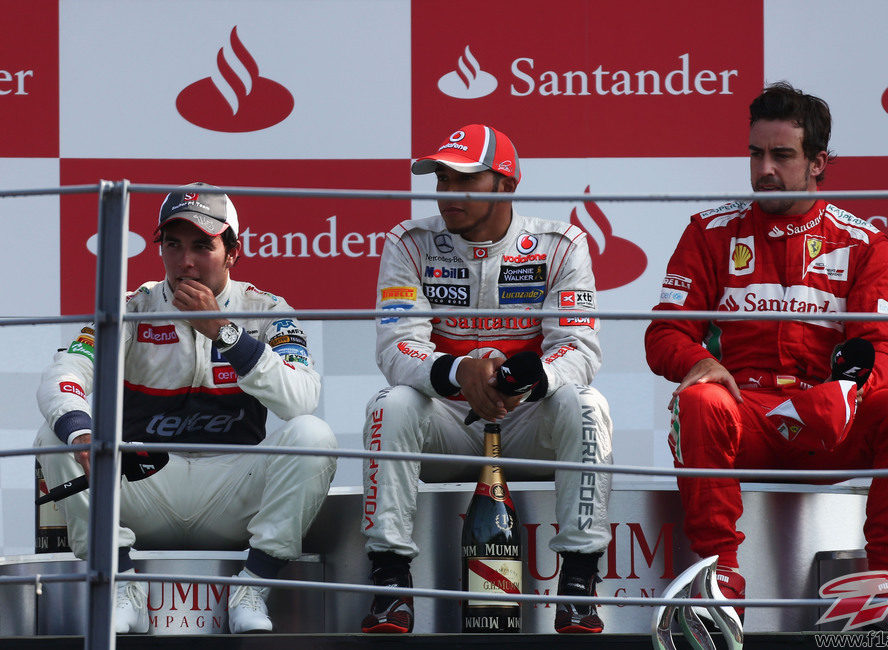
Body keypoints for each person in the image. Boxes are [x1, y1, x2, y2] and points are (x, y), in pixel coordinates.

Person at [645, 82, 888, 632]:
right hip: (749, 417)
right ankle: (719, 577)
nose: (764, 170)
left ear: (818, 163)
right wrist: (696, 361)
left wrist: (850, 392)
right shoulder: (710, 232)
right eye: (756, 153)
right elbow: (664, 333)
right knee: (700, 399)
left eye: (782, 155)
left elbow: (887, 346)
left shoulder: (862, 241)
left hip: (830, 422)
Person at [35, 183, 338, 634]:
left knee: (315, 436)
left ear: (233, 252)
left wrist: (225, 334)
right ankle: (119, 581)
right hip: (146, 489)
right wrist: (81, 432)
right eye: (173, 246)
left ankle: (253, 585)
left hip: (233, 497)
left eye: (203, 246)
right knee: (54, 432)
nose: (186, 262)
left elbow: (302, 398)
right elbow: (63, 374)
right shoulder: (130, 308)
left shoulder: (267, 310)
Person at [360, 124, 613, 634]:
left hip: (525, 421)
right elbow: (396, 346)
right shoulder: (409, 243)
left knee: (587, 403)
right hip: (449, 421)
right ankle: (390, 584)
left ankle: (579, 586)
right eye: (442, 180)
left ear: (505, 183)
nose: (448, 194)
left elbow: (578, 348)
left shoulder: (561, 244)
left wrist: (531, 375)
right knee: (390, 402)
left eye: (465, 180)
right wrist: (458, 373)